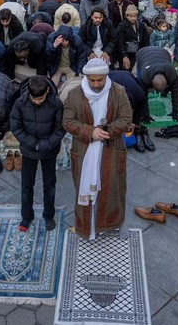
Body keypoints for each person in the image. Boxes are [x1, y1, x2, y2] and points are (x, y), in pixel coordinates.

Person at [62, 58, 132, 240]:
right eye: (92, 80)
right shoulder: (75, 94)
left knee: (113, 189)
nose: (96, 84)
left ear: (105, 76)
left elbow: (125, 118)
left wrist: (106, 131)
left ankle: (113, 224)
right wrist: (90, 132)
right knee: (84, 190)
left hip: (112, 149)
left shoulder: (119, 91)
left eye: (99, 80)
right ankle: (87, 228)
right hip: (84, 151)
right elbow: (67, 122)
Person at [10, 76, 66, 232]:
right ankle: (26, 217)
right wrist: (32, 143)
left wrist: (46, 144)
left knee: (49, 185)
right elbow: (16, 127)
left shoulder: (56, 104)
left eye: (40, 99)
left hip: (49, 151)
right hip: (29, 151)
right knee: (26, 185)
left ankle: (49, 216)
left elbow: (60, 129)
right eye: (34, 99)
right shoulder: (20, 103)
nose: (37, 102)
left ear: (48, 90)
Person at [136, 46, 178, 122]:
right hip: (142, 53)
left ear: (167, 81)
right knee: (139, 87)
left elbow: (177, 92)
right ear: (151, 82)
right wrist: (145, 115)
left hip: (163, 53)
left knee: (174, 88)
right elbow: (143, 96)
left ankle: (164, 93)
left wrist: (176, 112)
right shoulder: (144, 76)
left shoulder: (172, 73)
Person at [116, 4, 149, 72]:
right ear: (127, 16)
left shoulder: (141, 25)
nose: (133, 18)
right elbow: (120, 42)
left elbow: (146, 41)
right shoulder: (122, 26)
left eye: (135, 16)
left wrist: (144, 53)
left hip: (139, 51)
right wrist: (124, 56)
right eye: (131, 16)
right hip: (127, 52)